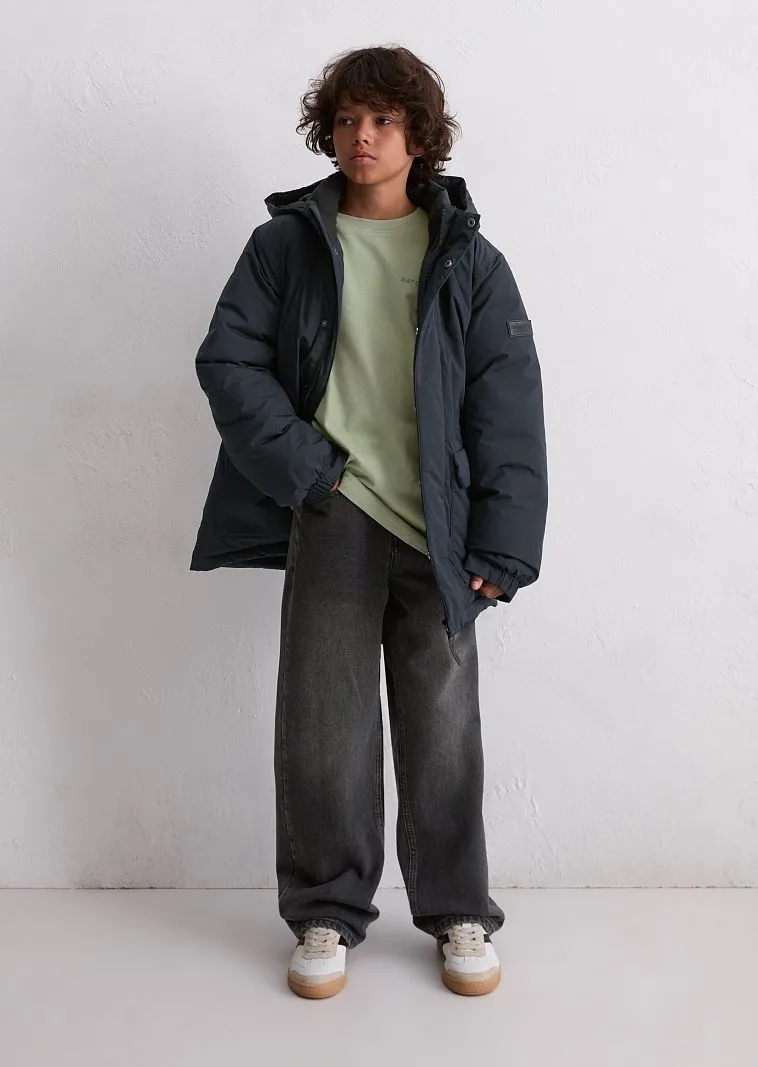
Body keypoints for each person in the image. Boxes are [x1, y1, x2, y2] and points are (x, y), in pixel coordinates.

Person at [190, 44, 548, 999]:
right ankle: (325, 911)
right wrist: (311, 471)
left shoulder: (469, 260)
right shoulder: (286, 246)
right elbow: (228, 361)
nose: (363, 136)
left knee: (444, 730)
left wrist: (506, 543)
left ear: (419, 136)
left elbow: (507, 402)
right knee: (323, 730)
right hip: (335, 513)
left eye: (385, 120)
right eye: (348, 119)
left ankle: (457, 908)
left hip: (442, 531)